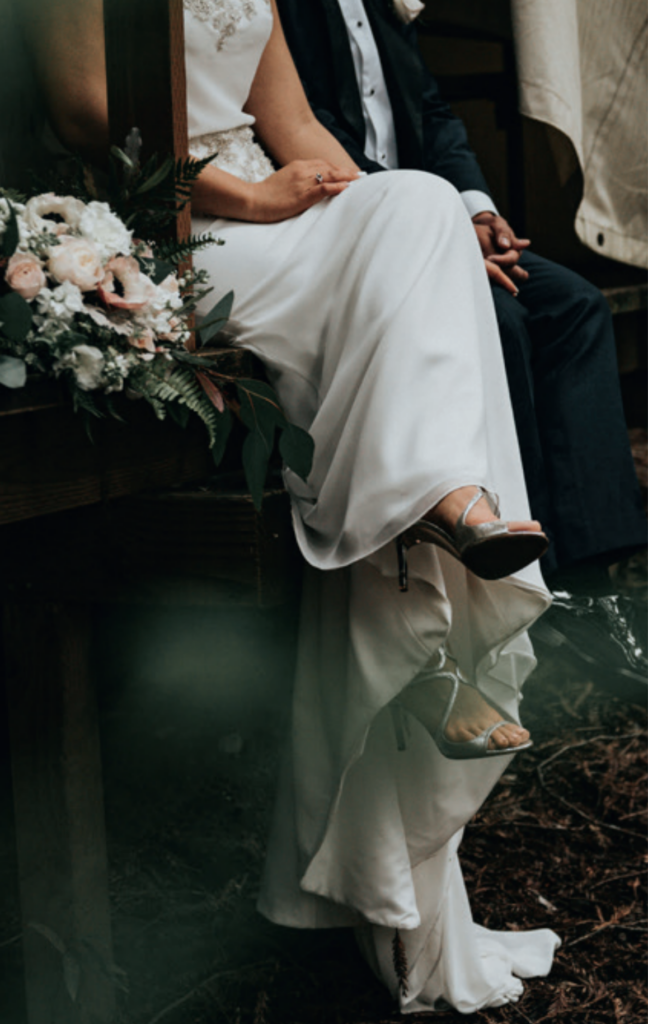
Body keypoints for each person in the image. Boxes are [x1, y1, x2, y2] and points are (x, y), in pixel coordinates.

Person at [35, 0, 561, 1011]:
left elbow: (302, 127)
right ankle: (437, 596)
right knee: (413, 268)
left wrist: (418, 236)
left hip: (286, 212)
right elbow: (86, 116)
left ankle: (438, 516)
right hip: (176, 231)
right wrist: (255, 197)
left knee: (421, 205)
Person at [274, 0, 648, 685]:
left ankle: (595, 587)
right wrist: (440, 229)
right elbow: (300, 130)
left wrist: (477, 209)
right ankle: (525, 589)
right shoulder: (286, 10)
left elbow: (433, 111)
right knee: (501, 323)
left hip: (444, 219)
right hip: (356, 228)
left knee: (574, 307)